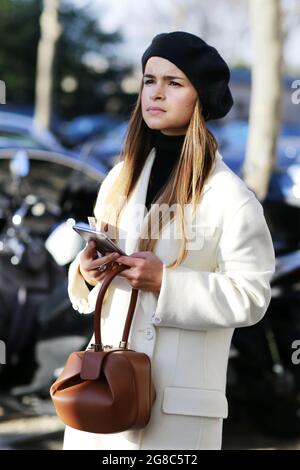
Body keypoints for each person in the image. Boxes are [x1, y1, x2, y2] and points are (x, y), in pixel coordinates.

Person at [63, 31, 276, 450]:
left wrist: (167, 282)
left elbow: (252, 296)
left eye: (174, 83)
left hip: (176, 415)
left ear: (201, 98)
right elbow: (97, 270)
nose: (155, 93)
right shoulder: (119, 178)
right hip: (103, 397)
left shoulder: (231, 198)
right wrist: (87, 272)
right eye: (149, 80)